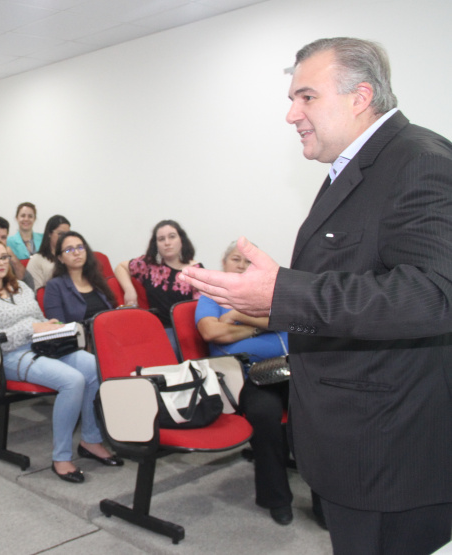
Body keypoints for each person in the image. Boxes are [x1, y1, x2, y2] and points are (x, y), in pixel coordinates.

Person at [178, 38, 452, 555]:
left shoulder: (417, 161)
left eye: (305, 97)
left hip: (391, 454)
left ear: (360, 96)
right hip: (360, 442)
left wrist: (282, 291)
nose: (291, 115)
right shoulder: (357, 166)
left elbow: (434, 293)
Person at [0, 239, 122, 483]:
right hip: (6, 357)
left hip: (41, 346)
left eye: (4, 257)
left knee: (92, 367)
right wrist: (30, 327)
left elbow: (39, 320)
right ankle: (61, 457)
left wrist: (51, 326)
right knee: (72, 380)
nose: (1, 263)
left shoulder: (21, 288)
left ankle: (90, 440)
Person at [194, 242, 292, 525]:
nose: (242, 265)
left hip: (292, 370)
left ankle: (327, 501)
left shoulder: (269, 295)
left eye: (249, 262)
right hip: (251, 376)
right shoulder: (213, 296)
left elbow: (292, 322)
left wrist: (237, 318)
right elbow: (211, 331)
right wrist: (260, 324)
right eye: (236, 259)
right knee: (264, 415)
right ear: (223, 263)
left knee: (321, 410)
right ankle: (277, 499)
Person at [115, 219, 202, 332]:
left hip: (188, 330)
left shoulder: (196, 271)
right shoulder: (149, 266)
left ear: (181, 240)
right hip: (158, 328)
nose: (167, 242)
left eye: (172, 236)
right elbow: (120, 267)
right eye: (161, 239)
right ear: (156, 245)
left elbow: (200, 311)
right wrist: (129, 290)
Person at [43, 232, 115, 324]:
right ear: (60, 258)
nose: (76, 253)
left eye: (80, 247)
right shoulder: (54, 286)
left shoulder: (96, 279)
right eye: (69, 250)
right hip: (79, 337)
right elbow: (58, 327)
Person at [26, 215, 71, 290]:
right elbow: (36, 291)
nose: (64, 238)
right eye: (60, 234)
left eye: (67, 234)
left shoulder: (72, 255)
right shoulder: (37, 259)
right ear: (49, 234)